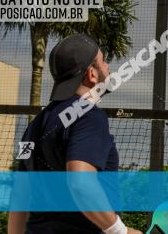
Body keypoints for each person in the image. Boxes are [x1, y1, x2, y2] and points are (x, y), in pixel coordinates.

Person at [8, 33, 141, 234]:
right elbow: (80, 182)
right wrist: (119, 231)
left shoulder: (33, 127)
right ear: (91, 74)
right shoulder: (89, 116)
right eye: (103, 61)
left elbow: (19, 197)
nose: (108, 67)